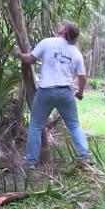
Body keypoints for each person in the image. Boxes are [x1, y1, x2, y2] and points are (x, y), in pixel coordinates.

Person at [17, 20, 92, 168]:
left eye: (62, 26)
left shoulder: (47, 43)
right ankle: (85, 156)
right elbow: (82, 77)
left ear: (64, 31)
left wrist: (19, 54)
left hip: (46, 91)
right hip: (66, 93)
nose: (59, 26)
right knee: (74, 125)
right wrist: (80, 93)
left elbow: (30, 59)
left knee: (36, 125)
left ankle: (31, 161)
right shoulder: (75, 52)